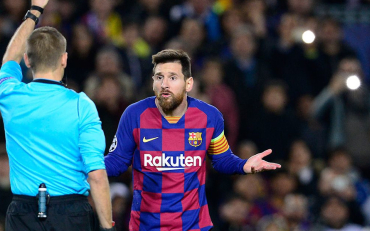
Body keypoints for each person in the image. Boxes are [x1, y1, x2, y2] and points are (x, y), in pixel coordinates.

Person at [105, 49, 281, 230]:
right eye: (159, 77)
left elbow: (221, 160)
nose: (164, 84)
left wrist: (242, 165)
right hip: (147, 225)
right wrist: (87, 166)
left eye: (172, 78)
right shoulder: (134, 114)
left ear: (188, 83)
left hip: (193, 226)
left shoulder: (209, 116)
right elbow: (117, 160)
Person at [0, 0, 113, 231]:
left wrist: (35, 9)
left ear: (27, 60)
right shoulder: (82, 105)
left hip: (23, 215)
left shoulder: (10, 95)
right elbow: (97, 176)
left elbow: (8, 59)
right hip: (72, 215)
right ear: (64, 59)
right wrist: (107, 226)